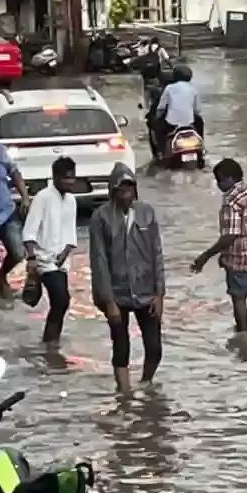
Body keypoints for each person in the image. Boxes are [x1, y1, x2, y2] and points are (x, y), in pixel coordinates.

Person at [88, 163, 166, 394]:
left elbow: (157, 254)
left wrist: (159, 294)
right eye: (121, 190)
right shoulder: (100, 218)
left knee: (154, 348)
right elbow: (99, 262)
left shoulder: (147, 213)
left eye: (129, 189)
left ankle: (146, 382)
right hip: (116, 292)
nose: (126, 195)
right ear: (112, 192)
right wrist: (108, 302)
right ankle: (124, 394)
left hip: (145, 290)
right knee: (121, 347)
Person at [191, 158, 247, 333]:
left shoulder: (230, 202)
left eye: (220, 180)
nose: (218, 185)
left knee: (238, 298)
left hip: (240, 260)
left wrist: (205, 256)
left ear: (230, 179)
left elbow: (230, 235)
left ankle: (243, 332)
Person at [22, 157, 80, 350]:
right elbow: (29, 231)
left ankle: (51, 342)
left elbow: (70, 232)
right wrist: (31, 259)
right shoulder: (43, 198)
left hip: (62, 261)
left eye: (72, 178)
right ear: (55, 177)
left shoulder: (71, 200)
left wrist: (66, 252)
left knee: (60, 303)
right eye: (66, 178)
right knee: (62, 300)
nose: (70, 182)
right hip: (44, 260)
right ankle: (50, 343)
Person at [0, 125, 30, 299]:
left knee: (19, 252)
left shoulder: (0, 152)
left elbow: (15, 174)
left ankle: (2, 274)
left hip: (6, 212)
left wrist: (24, 197)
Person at [152, 64, 205, 160]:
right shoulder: (194, 89)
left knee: (157, 129)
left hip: (171, 123)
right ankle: (202, 147)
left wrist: (157, 117)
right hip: (190, 122)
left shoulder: (169, 88)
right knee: (200, 123)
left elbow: (161, 107)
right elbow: (197, 110)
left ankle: (160, 151)